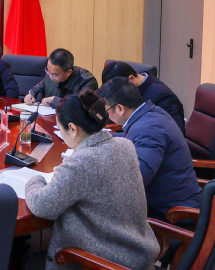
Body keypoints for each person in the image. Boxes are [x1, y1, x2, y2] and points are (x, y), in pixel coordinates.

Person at [25, 91, 160, 270]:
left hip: (104, 262)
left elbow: (42, 205)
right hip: (137, 254)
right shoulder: (125, 145)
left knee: (28, 261)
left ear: (73, 129)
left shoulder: (82, 162)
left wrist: (34, 179)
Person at [96, 77, 201, 221]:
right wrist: (99, 139)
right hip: (169, 201)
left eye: (106, 110)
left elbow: (136, 181)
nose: (106, 116)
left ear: (120, 108)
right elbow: (132, 138)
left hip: (172, 215)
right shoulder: (150, 113)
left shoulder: (147, 129)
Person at [102, 61, 186, 134]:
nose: (115, 96)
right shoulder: (128, 89)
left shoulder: (163, 97)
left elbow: (171, 133)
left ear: (131, 79)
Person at [24, 48, 98, 108]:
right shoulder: (51, 74)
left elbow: (80, 105)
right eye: (48, 71)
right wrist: (30, 96)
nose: (50, 77)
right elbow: (35, 90)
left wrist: (55, 100)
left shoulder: (87, 81)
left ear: (69, 72)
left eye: (55, 74)